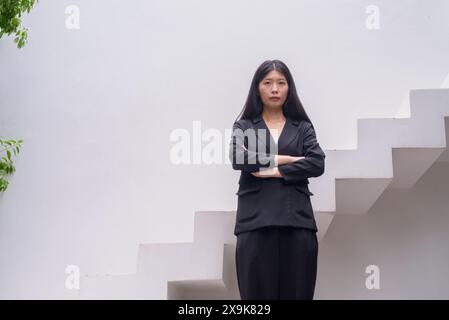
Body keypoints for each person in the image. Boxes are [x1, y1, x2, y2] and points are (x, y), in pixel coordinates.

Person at [229, 59, 326, 300]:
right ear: (257, 88)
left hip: (297, 224)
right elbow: (239, 159)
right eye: (268, 83)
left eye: (281, 83)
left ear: (289, 88)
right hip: (254, 224)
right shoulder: (244, 126)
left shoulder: (302, 127)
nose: (274, 89)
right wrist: (287, 159)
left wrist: (275, 171)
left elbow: (317, 162)